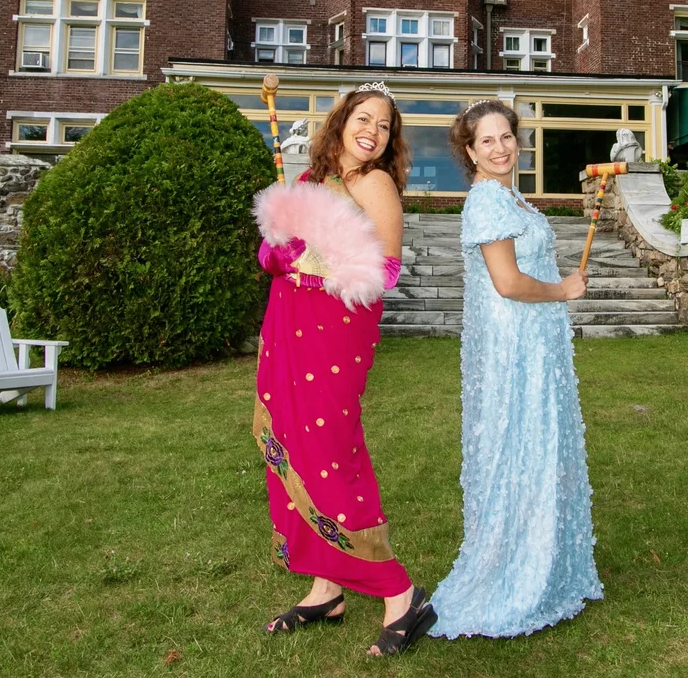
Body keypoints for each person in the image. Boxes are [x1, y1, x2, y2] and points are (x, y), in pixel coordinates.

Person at [252, 81, 438, 657]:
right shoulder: (309, 180)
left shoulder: (374, 183)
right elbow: (281, 240)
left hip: (334, 333)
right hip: (287, 325)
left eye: (384, 126)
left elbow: (383, 271)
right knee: (289, 441)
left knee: (331, 452)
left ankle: (400, 594)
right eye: (365, 117)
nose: (374, 131)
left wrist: (312, 267)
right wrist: (275, 254)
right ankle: (326, 590)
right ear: (342, 121)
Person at [429, 99, 604, 639]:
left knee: (539, 446)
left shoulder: (514, 199)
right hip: (513, 346)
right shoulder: (486, 202)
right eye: (487, 140)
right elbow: (507, 282)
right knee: (517, 446)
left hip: (536, 342)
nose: (501, 147)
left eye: (507, 137)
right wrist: (562, 291)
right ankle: (510, 572)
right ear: (469, 150)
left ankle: (544, 561)